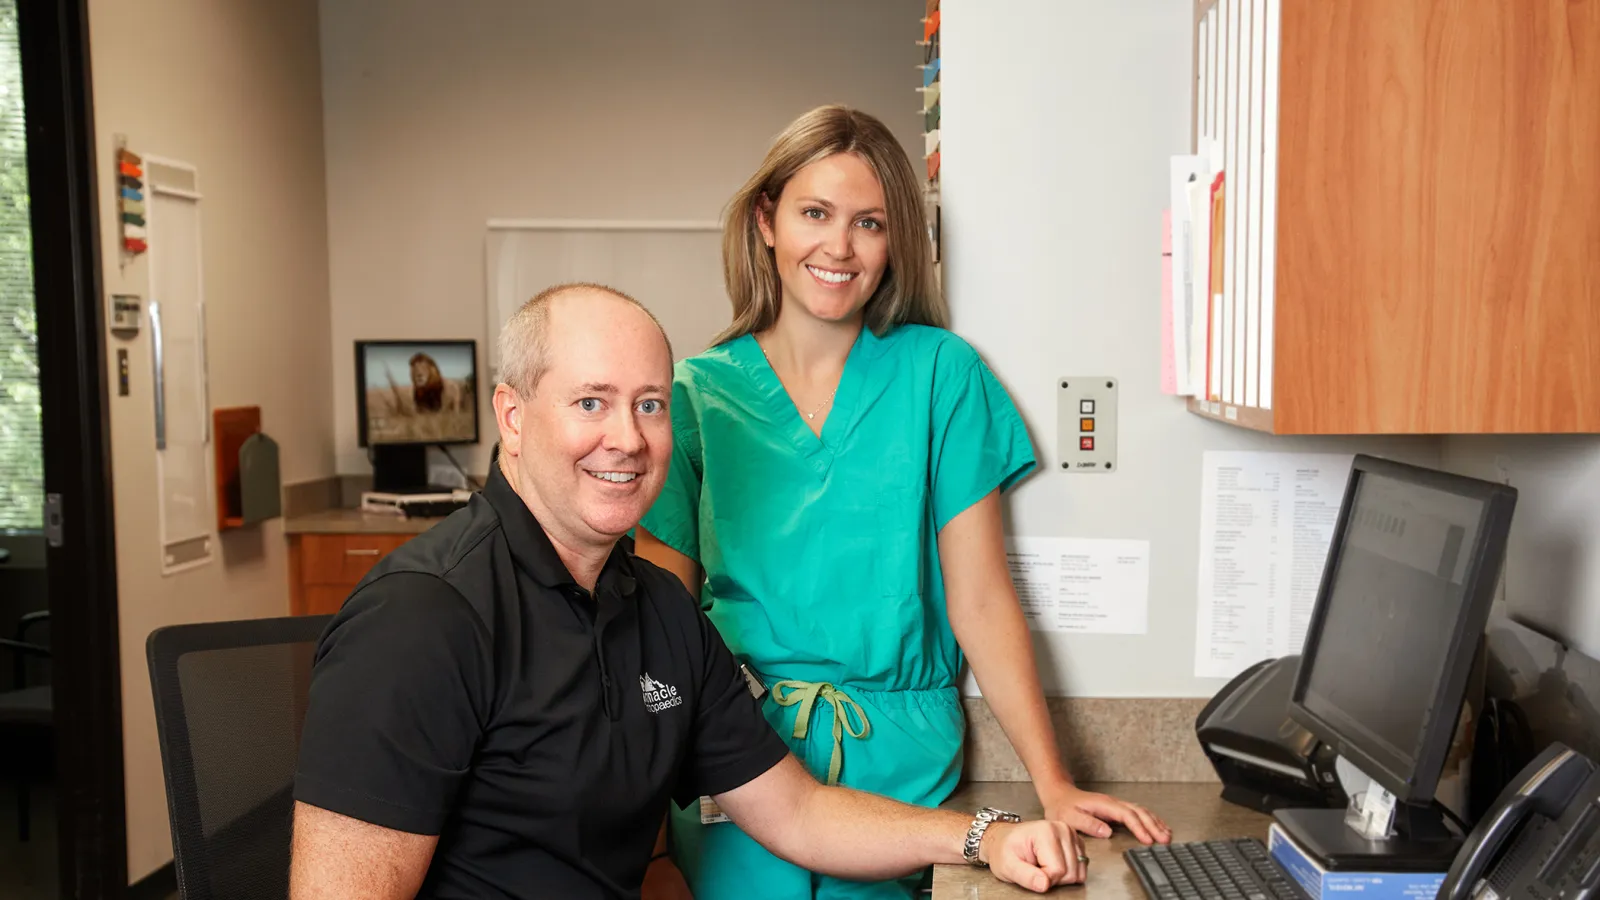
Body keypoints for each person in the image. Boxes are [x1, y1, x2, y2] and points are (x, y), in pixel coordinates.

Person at [288, 283, 1095, 900]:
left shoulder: (660, 613)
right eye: (590, 403)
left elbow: (798, 813)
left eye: (648, 405)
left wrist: (985, 836)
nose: (629, 439)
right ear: (514, 415)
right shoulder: (423, 618)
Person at [634, 106, 1172, 900]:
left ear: (898, 243)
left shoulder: (941, 376)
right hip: (740, 760)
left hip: (903, 768)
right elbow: (660, 620)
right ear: (766, 222)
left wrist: (1054, 783)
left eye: (871, 223)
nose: (839, 247)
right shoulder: (694, 395)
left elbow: (982, 601)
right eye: (814, 213)